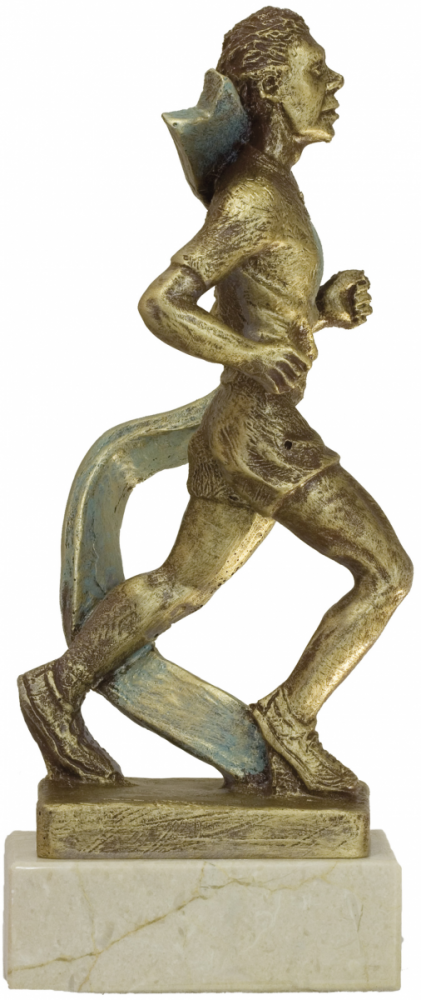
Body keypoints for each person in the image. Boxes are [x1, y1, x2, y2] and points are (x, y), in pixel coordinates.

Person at [19, 6, 412, 791]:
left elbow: (257, 314)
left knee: (182, 585)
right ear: (270, 89)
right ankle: (288, 719)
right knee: (385, 573)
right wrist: (248, 354)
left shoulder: (275, 188)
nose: (333, 84)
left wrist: (319, 314)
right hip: (262, 434)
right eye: (315, 70)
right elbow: (161, 302)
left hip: (248, 428)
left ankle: (57, 687)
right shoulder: (254, 196)